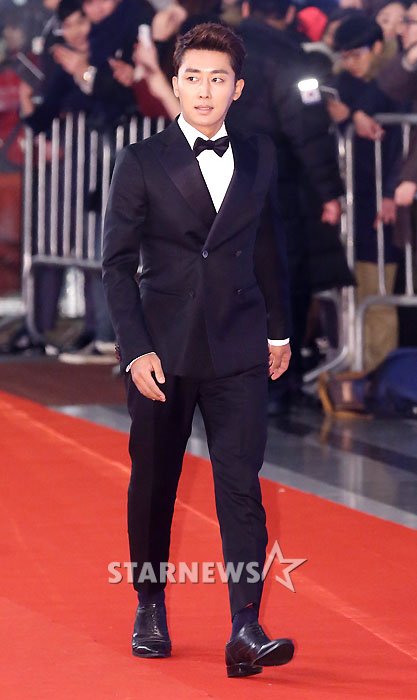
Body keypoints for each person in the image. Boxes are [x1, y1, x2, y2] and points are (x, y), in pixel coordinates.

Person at [102, 22, 295, 677]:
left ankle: (246, 625)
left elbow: (268, 244)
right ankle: (149, 605)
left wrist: (278, 331)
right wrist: (134, 350)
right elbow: (116, 265)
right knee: (155, 482)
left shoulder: (260, 154)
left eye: (217, 78)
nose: (204, 90)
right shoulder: (140, 160)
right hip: (162, 350)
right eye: (192, 78)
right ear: (175, 84)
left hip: (238, 346)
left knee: (240, 485)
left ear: (237, 88)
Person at [329, 14, 403, 370]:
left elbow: (400, 147)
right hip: (351, 205)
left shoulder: (395, 85)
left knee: (378, 292)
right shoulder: (339, 86)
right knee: (350, 293)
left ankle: (380, 375)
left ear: (376, 47)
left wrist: (390, 192)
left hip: (381, 205)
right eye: (344, 56)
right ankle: (353, 369)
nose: (350, 63)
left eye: (356, 55)